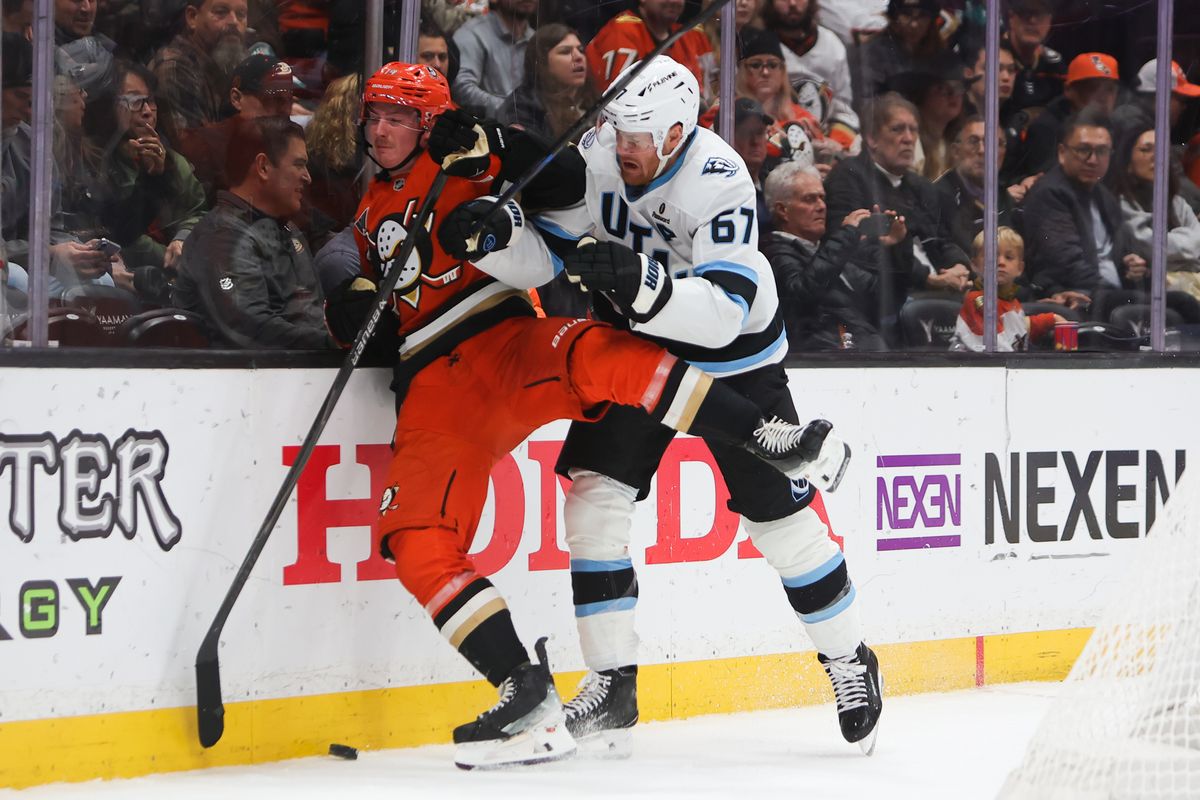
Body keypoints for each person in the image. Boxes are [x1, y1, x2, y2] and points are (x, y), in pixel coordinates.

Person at [332, 61, 853, 770]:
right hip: (636, 336)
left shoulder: (719, 178)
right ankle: (612, 686)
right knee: (594, 505)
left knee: (782, 528)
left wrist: (645, 285)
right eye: (614, 126)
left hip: (731, 352)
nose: (620, 144)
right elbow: (546, 251)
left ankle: (847, 656)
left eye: (637, 133)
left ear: (677, 131)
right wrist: (499, 239)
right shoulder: (604, 152)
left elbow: (723, 312)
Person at [173, 115, 334, 349]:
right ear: (263, 167)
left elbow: (313, 317)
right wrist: (336, 344)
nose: (307, 177)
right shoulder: (222, 237)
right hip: (243, 380)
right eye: (299, 164)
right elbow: (251, 330)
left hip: (308, 375)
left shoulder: (288, 229)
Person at [824, 92, 971, 340]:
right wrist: (928, 278)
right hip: (887, 297)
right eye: (897, 129)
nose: (908, 138)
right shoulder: (847, 177)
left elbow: (941, 240)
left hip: (938, 287)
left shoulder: (922, 186)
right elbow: (857, 250)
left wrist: (960, 266)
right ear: (871, 138)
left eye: (913, 130)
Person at [1022, 111, 1156, 320]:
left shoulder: (1102, 194)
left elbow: (1126, 251)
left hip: (1110, 293)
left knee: (1174, 303)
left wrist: (1135, 267)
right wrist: (1115, 291)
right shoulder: (1050, 193)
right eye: (1084, 150)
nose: (1093, 160)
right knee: (1179, 304)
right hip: (1077, 293)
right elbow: (1065, 263)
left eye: (1102, 151)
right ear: (1062, 153)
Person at [761, 160, 902, 350]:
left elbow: (888, 299)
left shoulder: (827, 252)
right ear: (782, 210)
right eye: (810, 199)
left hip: (859, 353)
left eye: (822, 198)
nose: (821, 206)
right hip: (821, 361)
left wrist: (894, 247)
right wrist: (846, 236)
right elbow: (801, 292)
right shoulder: (772, 251)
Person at [1108, 125, 1200, 302]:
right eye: (1146, 150)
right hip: (1148, 297)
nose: (1156, 156)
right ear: (1127, 162)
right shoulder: (1121, 205)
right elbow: (1151, 247)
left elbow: (1197, 249)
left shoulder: (1177, 203)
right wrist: (1185, 247)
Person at [763, 0, 858, 151]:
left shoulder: (832, 44)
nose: (792, 3)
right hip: (776, 144)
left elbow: (843, 110)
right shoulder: (758, 46)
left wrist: (835, 145)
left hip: (825, 141)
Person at [950, 227, 1062, 351]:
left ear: (1020, 268)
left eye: (1009, 257)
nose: (1001, 262)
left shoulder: (1010, 300)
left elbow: (1018, 329)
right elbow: (1000, 348)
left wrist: (1053, 319)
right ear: (975, 265)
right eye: (992, 256)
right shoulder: (978, 301)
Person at [149, 0, 249, 132]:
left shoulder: (229, 61)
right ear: (192, 17)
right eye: (221, 12)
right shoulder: (174, 68)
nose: (234, 21)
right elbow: (195, 148)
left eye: (241, 14)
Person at [586, 0, 715, 102]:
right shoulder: (622, 31)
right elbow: (621, 102)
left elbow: (701, 97)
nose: (674, 1)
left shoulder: (685, 36)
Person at [1019, 52, 1121, 180]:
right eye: (1093, 88)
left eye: (1110, 89)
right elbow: (1048, 181)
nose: (1103, 97)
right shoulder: (1046, 128)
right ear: (1069, 90)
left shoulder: (1116, 126)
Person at [935, 115, 1021, 255]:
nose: (982, 150)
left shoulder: (1008, 202)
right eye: (973, 141)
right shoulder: (937, 198)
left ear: (1002, 153)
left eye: (992, 143)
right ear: (956, 151)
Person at [497, 23, 595, 144]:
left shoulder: (595, 99)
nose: (579, 57)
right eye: (565, 51)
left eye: (580, 50)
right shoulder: (523, 108)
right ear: (541, 62)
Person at [451, 0, 535, 118]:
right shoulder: (472, 34)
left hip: (528, 128)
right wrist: (512, 110)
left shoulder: (535, 38)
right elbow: (462, 89)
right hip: (486, 130)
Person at [1000, 0, 1065, 119]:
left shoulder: (1055, 64)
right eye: (1025, 13)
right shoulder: (992, 56)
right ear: (1011, 18)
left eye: (1039, 14)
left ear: (1049, 21)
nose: (1032, 20)